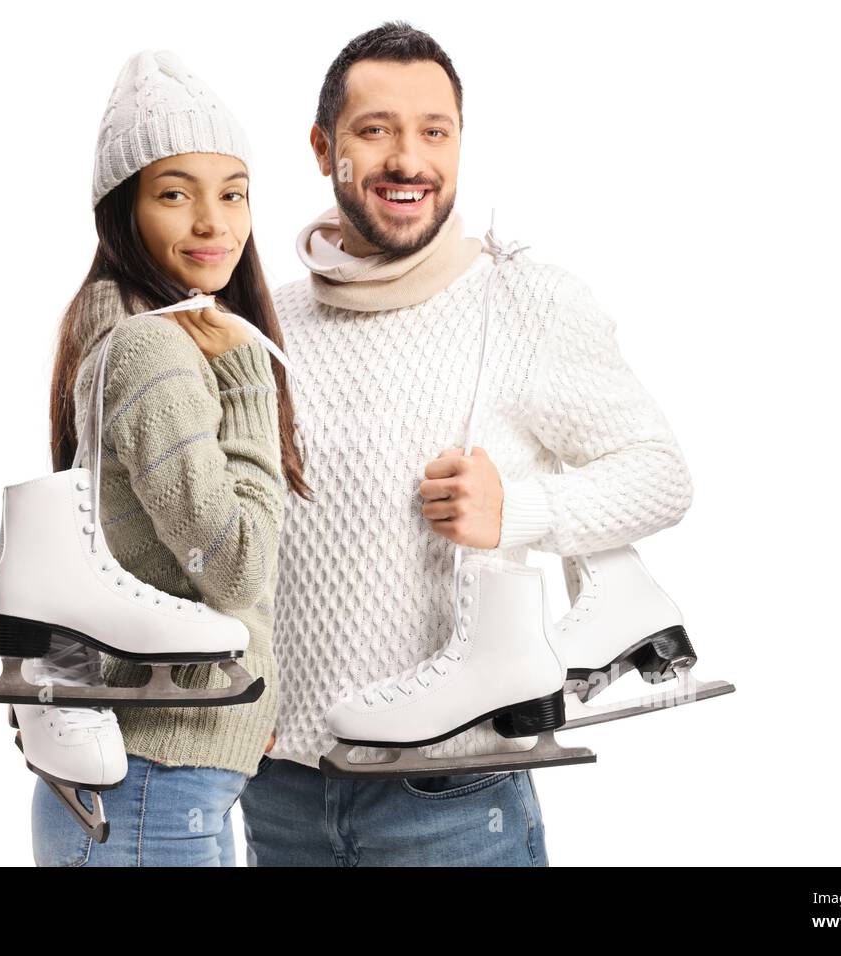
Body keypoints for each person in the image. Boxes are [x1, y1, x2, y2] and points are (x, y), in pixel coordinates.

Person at [241, 21, 693, 866]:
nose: (409, 160)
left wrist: (516, 512)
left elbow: (661, 475)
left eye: (434, 132)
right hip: (281, 791)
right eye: (376, 130)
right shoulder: (267, 324)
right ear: (323, 147)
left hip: (454, 801)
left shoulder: (524, 304)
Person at [34, 48, 310, 866]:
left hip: (156, 777)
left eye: (233, 194)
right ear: (123, 211)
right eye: (174, 194)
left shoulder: (116, 330)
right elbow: (237, 566)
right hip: (156, 778)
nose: (212, 223)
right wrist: (247, 376)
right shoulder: (155, 350)